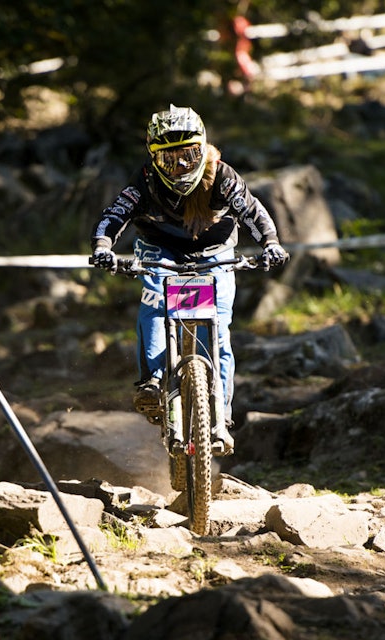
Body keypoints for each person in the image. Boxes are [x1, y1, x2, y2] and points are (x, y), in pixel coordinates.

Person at [89, 104, 287, 455]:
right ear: (154, 160)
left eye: (189, 155)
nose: (180, 166)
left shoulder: (223, 175)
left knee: (221, 333)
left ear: (203, 147)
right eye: (169, 159)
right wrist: (103, 246)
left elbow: (253, 211)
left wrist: (271, 244)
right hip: (159, 250)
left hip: (215, 253)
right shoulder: (145, 181)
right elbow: (115, 214)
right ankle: (151, 381)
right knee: (155, 297)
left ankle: (221, 419)